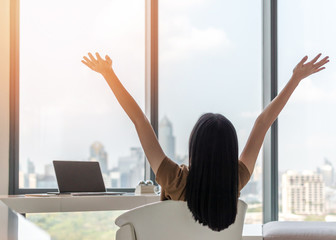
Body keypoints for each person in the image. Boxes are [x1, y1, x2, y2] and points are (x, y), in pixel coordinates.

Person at [82, 53, 329, 231]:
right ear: (230, 150)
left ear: (194, 146)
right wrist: (295, 79)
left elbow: (139, 121)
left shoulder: (175, 179)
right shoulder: (237, 178)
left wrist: (109, 74)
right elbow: (263, 123)